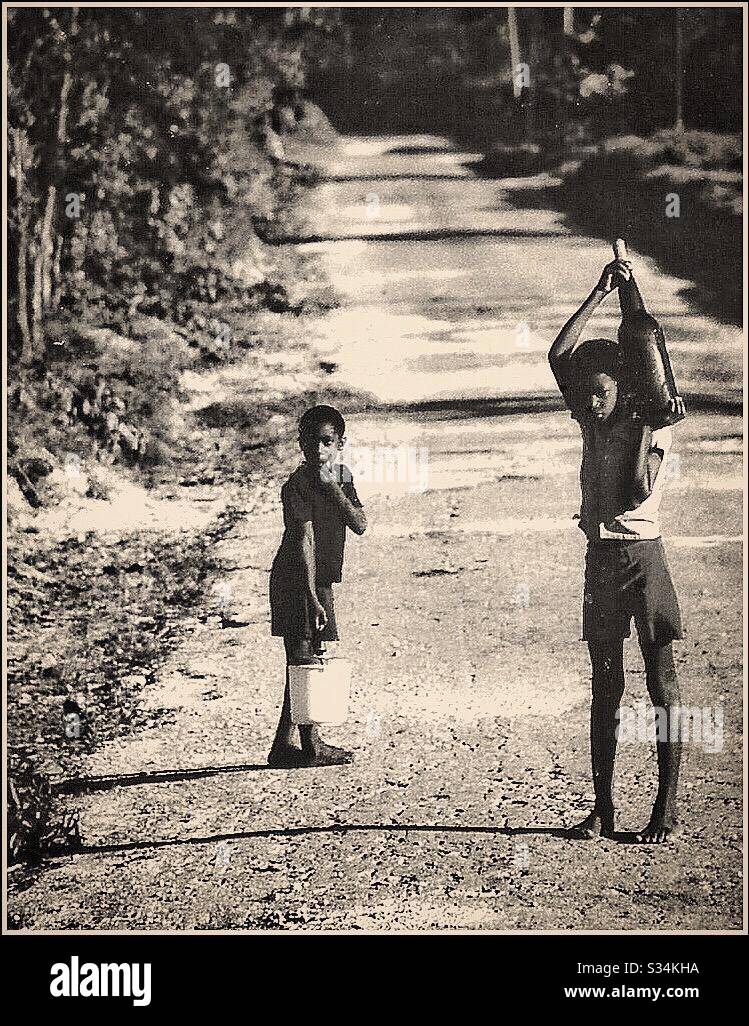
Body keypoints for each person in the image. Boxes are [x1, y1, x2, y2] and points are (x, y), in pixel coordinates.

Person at [548, 259, 686, 843]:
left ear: (623, 388)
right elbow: (560, 356)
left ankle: (666, 806)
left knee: (660, 682)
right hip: (600, 561)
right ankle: (603, 808)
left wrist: (630, 292)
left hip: (642, 559)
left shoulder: (650, 419)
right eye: (582, 396)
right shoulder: (594, 420)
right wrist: (602, 290)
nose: (587, 403)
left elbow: (647, 341)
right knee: (605, 685)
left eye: (598, 393)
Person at [268, 404, 367, 768]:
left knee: (308, 661)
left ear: (341, 443)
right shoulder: (296, 485)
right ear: (300, 444)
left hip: (320, 580)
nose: (318, 450)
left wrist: (334, 490)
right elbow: (304, 540)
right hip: (296, 578)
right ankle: (304, 746)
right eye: (310, 441)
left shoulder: (342, 477)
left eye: (326, 441)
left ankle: (293, 745)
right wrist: (311, 595)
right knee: (301, 661)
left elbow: (359, 523)